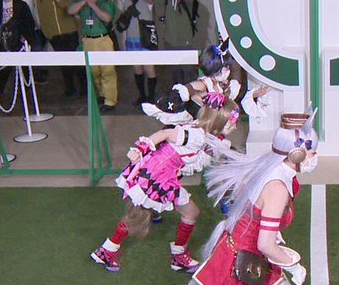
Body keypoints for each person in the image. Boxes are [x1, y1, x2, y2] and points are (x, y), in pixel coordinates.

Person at [124, 111, 321, 285]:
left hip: (242, 253)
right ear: (297, 153)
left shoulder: (274, 170)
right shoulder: (278, 186)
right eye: (311, 151)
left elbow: (253, 215)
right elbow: (265, 243)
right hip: (245, 259)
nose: (315, 156)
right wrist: (292, 263)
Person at [91, 92, 240, 274]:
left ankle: (111, 250)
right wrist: (140, 149)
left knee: (151, 214)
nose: (234, 127)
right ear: (219, 120)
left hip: (163, 174)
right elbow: (166, 133)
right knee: (142, 216)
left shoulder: (203, 134)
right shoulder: (196, 135)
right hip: (158, 176)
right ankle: (109, 251)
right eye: (231, 122)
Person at [67, 0, 119, 111]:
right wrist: (85, 1)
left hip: (103, 40)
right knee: (93, 71)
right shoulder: (81, 1)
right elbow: (70, 10)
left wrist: (94, 5)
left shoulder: (105, 2)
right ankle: (100, 94)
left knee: (108, 71)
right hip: (88, 41)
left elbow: (107, 18)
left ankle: (110, 100)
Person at [34, 0, 84, 97]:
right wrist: (48, 33)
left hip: (70, 32)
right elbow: (42, 16)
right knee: (64, 64)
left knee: (77, 61)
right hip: (55, 36)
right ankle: (70, 88)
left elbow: (71, 8)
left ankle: (84, 87)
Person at [113, 0, 158, 105]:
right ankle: (142, 96)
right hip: (132, 38)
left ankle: (151, 96)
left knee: (150, 68)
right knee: (137, 69)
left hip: (145, 38)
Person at [153, 0, 200, 85]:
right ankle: (179, 94)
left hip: (186, 42)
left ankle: (193, 94)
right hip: (170, 42)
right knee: (175, 73)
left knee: (189, 73)